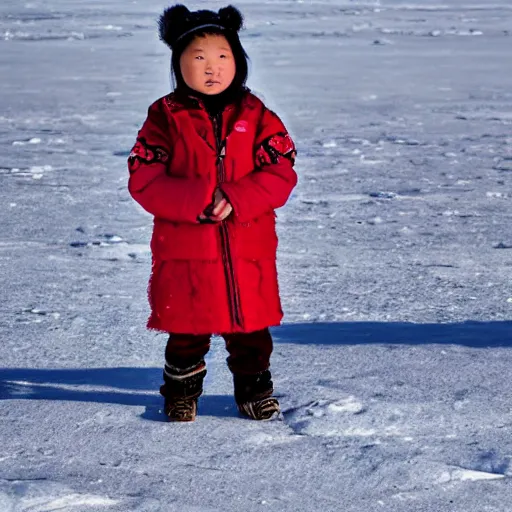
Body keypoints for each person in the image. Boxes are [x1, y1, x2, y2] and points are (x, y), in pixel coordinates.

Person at [127, 4, 297, 422]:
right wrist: (197, 198)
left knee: (251, 330)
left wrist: (241, 196)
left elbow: (281, 170)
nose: (211, 68)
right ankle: (181, 392)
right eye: (198, 58)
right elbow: (144, 175)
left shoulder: (256, 115)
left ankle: (254, 390)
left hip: (247, 246)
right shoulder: (165, 116)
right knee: (186, 329)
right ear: (178, 63)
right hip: (186, 246)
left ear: (237, 62)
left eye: (222, 57)